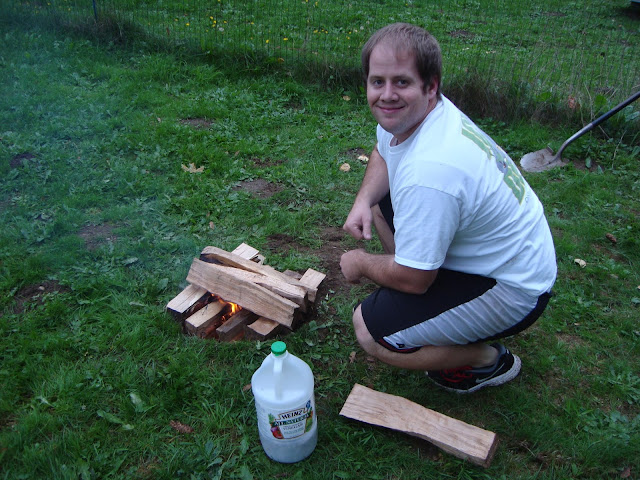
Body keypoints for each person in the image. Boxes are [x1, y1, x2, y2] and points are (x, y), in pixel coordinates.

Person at [340, 23, 557, 394]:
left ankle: (485, 359)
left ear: (431, 86)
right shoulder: (415, 116)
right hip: (500, 254)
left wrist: (360, 262)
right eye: (378, 82)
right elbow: (383, 151)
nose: (387, 95)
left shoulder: (432, 171)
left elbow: (415, 279)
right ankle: (419, 283)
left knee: (369, 330)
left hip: (514, 287)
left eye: (401, 82)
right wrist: (363, 199)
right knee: (379, 202)